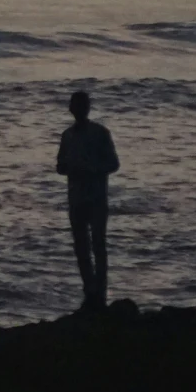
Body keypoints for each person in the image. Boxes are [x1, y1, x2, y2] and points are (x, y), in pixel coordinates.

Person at [56, 89, 119, 311]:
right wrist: (70, 167)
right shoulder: (67, 136)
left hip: (96, 197)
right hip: (76, 198)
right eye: (75, 105)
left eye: (81, 105)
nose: (78, 110)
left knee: (98, 245)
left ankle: (100, 292)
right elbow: (59, 166)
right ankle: (89, 289)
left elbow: (113, 163)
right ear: (71, 109)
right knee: (81, 246)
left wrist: (92, 169)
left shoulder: (100, 133)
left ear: (87, 108)